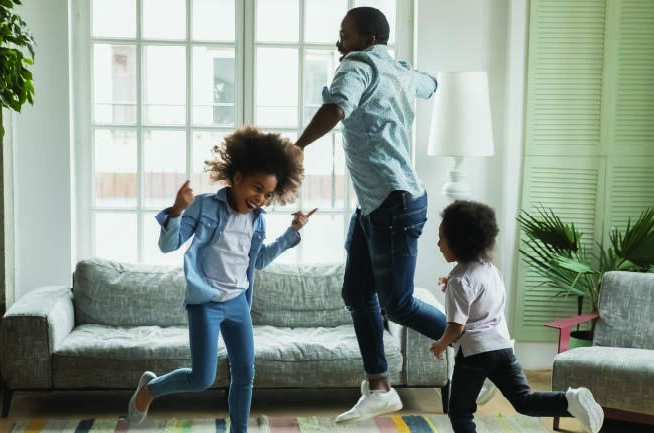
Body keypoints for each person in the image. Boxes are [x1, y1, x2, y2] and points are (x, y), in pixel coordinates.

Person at [294, 6, 445, 423]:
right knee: (357, 295)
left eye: (345, 34)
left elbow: (337, 107)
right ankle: (379, 387)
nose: (338, 42)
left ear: (368, 39)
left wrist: (299, 145)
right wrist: (422, 78)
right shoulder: (395, 70)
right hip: (378, 204)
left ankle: (477, 349)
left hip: (393, 204)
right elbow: (430, 85)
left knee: (396, 305)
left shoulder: (356, 65)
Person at [127, 126, 314, 433]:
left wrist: (292, 232)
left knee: (245, 373)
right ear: (237, 178)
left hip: (238, 303)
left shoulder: (257, 220)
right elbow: (168, 245)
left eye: (268, 194)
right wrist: (176, 211)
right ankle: (149, 390)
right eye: (257, 188)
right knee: (201, 378)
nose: (261, 199)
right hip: (206, 304)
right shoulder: (203, 206)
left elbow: (260, 260)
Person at [429, 200, 604, 433]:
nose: (438, 244)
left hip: (474, 354)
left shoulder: (459, 281)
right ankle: (569, 401)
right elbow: (479, 295)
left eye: (442, 238)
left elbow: (456, 328)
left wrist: (440, 345)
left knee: (460, 411)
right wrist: (450, 282)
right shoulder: (489, 269)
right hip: (502, 347)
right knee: (524, 400)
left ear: (459, 242)